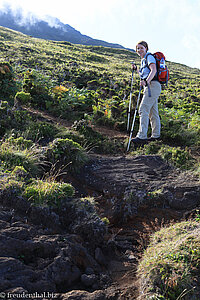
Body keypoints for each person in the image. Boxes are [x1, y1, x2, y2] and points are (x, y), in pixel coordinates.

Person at [132, 41, 161, 144]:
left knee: (143, 109)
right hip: (152, 86)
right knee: (153, 112)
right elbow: (143, 74)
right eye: (138, 48)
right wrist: (136, 70)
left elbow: (153, 70)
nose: (139, 50)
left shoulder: (149, 57)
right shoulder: (144, 60)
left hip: (152, 86)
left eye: (141, 48)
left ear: (146, 49)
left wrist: (147, 81)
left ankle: (142, 136)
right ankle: (156, 136)